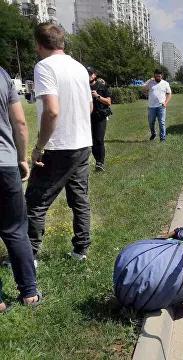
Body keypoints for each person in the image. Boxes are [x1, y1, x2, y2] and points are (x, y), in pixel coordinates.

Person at [26, 22, 93, 261]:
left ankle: (29, 256)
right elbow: (90, 105)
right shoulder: (79, 68)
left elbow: (52, 111)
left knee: (35, 202)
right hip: (83, 143)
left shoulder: (44, 67)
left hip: (58, 146)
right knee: (79, 198)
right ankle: (81, 250)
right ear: (62, 42)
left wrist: (39, 147)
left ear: (38, 44)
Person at [0, 65, 42, 311]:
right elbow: (20, 122)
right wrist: (22, 158)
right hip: (5, 162)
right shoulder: (3, 75)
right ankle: (29, 293)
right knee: (16, 229)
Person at [87, 67, 112, 172]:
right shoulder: (83, 87)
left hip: (100, 116)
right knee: (91, 141)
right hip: (88, 117)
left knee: (99, 139)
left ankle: (100, 162)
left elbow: (109, 102)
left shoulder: (102, 86)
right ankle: (98, 160)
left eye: (90, 73)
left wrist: (97, 96)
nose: (88, 76)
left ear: (94, 75)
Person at [142, 69, 172, 142]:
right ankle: (153, 133)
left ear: (162, 76)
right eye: (157, 76)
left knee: (162, 122)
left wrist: (166, 103)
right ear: (154, 75)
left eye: (159, 76)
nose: (158, 77)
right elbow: (143, 89)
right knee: (151, 122)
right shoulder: (150, 82)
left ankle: (163, 139)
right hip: (151, 107)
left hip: (161, 106)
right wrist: (149, 80)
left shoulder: (165, 83)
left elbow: (169, 94)